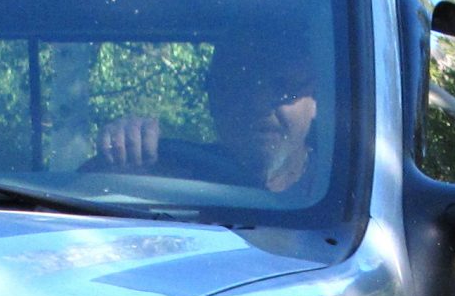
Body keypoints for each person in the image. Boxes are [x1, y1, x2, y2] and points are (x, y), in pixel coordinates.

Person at [95, 41, 323, 194]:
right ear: (213, 101)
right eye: (238, 86)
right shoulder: (174, 177)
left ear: (316, 100)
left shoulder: (337, 197)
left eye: (283, 87)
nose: (258, 104)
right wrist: (125, 155)